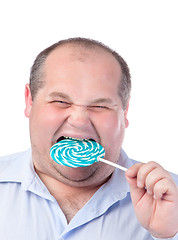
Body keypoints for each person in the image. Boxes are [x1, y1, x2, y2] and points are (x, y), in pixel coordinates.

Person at [0, 37, 177, 240]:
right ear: (29, 101)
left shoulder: (171, 200)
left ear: (125, 111)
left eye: (100, 106)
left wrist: (167, 236)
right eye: (60, 101)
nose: (79, 121)